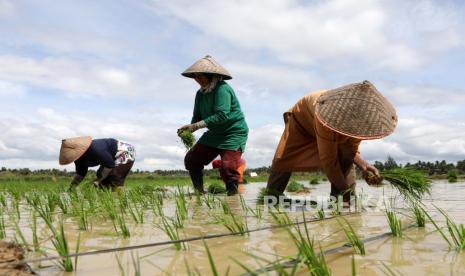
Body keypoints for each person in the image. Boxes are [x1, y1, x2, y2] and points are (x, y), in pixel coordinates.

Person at [266, 81, 397, 203]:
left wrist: (363, 165)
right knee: (284, 159)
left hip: (328, 125)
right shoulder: (327, 116)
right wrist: (345, 190)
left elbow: (349, 151)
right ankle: (271, 199)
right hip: (302, 124)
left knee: (345, 160)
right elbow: (329, 162)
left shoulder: (361, 122)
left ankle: (342, 202)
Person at [178, 55, 248, 196]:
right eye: (195, 77)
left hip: (233, 133)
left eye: (200, 76)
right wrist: (188, 129)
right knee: (192, 160)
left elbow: (222, 115)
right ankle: (199, 193)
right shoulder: (200, 94)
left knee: (227, 167)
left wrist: (196, 126)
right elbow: (197, 117)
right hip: (214, 134)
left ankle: (232, 197)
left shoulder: (222, 89)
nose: (198, 80)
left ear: (210, 75)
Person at [59, 136, 136, 190]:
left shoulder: (96, 149)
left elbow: (109, 165)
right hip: (111, 158)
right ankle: (107, 202)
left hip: (125, 151)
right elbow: (80, 174)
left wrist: (97, 181)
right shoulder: (78, 159)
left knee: (114, 177)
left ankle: (118, 200)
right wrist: (71, 189)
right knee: (101, 177)